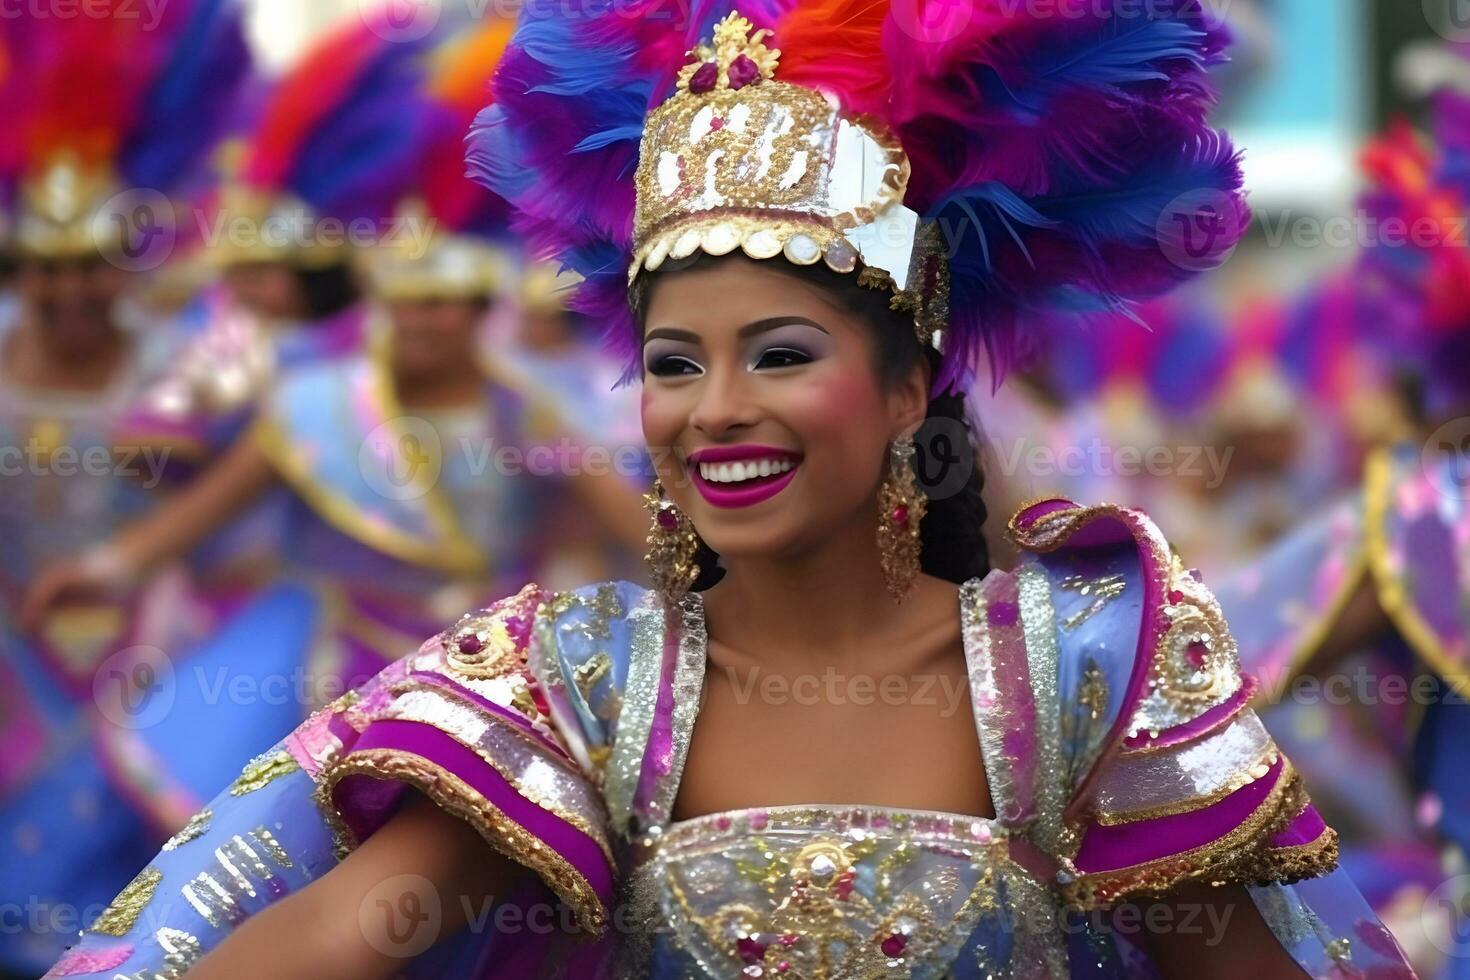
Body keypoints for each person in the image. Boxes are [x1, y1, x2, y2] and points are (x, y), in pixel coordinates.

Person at [44, 2, 1413, 977]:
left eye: (779, 354)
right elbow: (339, 931)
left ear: (903, 390)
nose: (715, 411)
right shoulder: (579, 682)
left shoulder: (1079, 670)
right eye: (671, 362)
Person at [0, 2, 253, 972]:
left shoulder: (191, 365)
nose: (68, 291)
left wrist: (136, 569)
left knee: (126, 896)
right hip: (12, 656)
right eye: (46, 268)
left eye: (89, 266)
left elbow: (260, 479)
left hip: (153, 660)